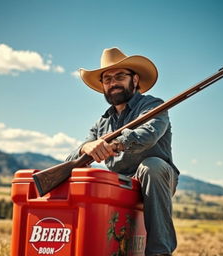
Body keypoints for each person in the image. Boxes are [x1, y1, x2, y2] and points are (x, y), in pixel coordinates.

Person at [66, 47, 179, 256]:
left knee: (151, 167)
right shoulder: (102, 123)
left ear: (135, 80)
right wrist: (86, 147)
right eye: (107, 79)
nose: (113, 83)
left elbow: (148, 135)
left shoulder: (153, 106)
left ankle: (159, 252)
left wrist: (115, 144)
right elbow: (71, 159)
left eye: (119, 76)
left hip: (157, 179)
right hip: (120, 187)